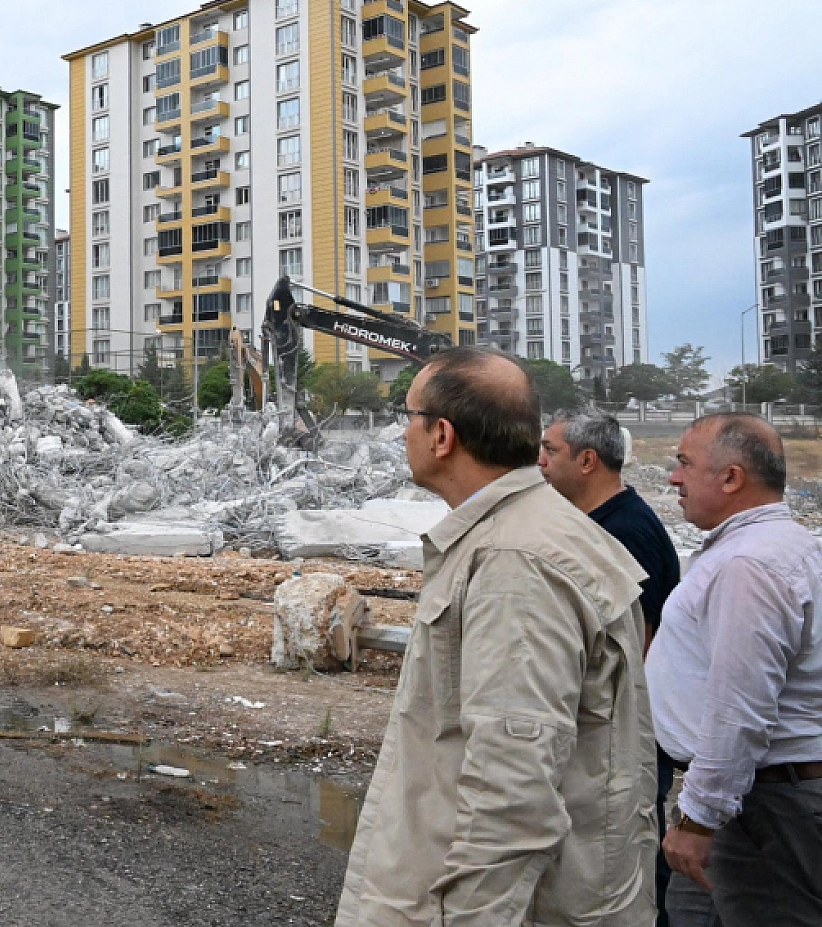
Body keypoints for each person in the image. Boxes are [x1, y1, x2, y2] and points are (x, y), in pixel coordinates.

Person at [337, 348, 657, 927]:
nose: (401, 432)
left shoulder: (516, 561)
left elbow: (513, 793)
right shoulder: (528, 535)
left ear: (441, 435)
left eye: (408, 415)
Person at [649, 413, 822, 927]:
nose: (673, 478)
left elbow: (739, 708)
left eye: (684, 464)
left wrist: (698, 820)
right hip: (747, 796)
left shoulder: (750, 565)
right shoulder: (776, 549)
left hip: (762, 803)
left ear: (732, 478)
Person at [539, 407, 683, 923]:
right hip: (616, 729)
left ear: (588, 460)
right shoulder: (601, 523)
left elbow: (634, 646)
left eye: (550, 451)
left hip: (627, 730)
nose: (540, 462)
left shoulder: (626, 530)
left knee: (629, 857)